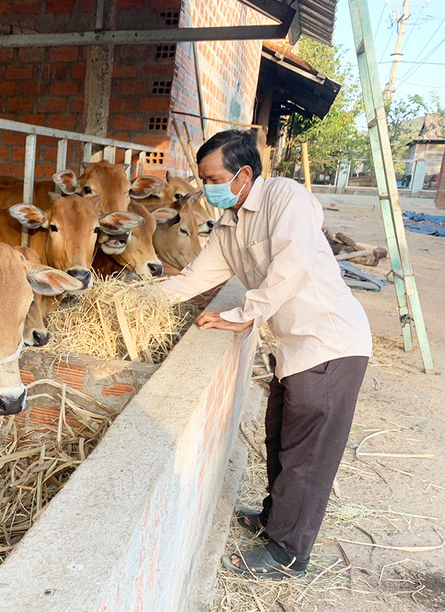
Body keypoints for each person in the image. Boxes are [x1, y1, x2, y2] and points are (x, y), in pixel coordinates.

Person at [159, 130, 372, 579]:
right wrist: (134, 299)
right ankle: (273, 520)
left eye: (213, 178)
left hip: (330, 345)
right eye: (203, 179)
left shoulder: (286, 198)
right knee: (279, 439)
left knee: (308, 456)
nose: (207, 189)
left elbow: (290, 266)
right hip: (293, 348)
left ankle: (288, 554)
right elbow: (192, 278)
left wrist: (244, 313)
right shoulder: (229, 227)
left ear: (244, 174)